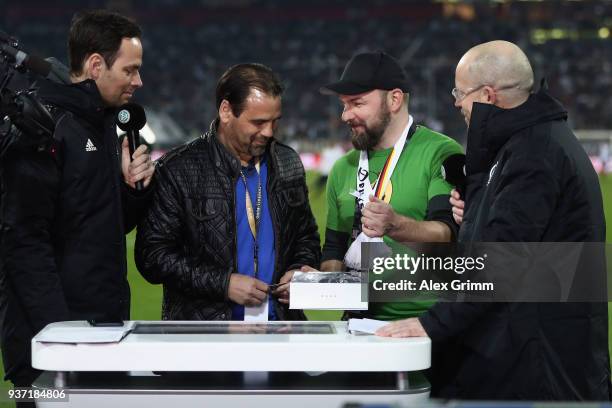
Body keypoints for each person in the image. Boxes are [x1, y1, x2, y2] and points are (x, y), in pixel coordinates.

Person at [377, 40, 611, 400]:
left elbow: (499, 263)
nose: (456, 102)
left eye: (460, 92)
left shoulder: (534, 154)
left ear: (487, 96)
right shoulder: (526, 144)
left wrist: (430, 323)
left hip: (539, 364)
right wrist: (478, 210)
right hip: (534, 350)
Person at [0, 10, 154, 391]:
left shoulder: (100, 124)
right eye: (130, 70)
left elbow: (99, 224)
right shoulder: (41, 126)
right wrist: (61, 335)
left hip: (100, 330)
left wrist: (131, 192)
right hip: (53, 342)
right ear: (96, 65)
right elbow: (23, 242)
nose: (139, 81)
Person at [135, 63, 320, 321]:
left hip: (280, 330)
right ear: (226, 111)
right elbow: (152, 257)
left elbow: (305, 237)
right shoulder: (179, 169)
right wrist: (223, 283)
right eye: (258, 122)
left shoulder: (287, 162)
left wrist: (298, 270)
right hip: (207, 336)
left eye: (274, 121)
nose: (268, 132)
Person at [315, 51, 463, 321]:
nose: (345, 115)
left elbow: (447, 236)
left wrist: (395, 225)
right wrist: (325, 280)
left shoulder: (440, 152)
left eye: (357, 103)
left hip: (424, 325)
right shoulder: (342, 168)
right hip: (357, 325)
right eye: (344, 104)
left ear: (394, 99)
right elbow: (334, 248)